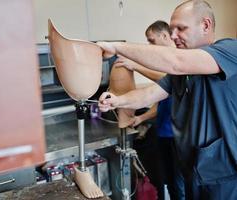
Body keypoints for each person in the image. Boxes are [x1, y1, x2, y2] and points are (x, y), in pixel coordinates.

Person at [97, 0, 237, 199]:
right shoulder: (182, 74)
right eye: (172, 29)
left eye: (180, 28)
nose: (173, 36)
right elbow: (149, 94)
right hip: (194, 168)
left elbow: (176, 62)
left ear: (205, 25)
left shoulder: (230, 50)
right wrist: (117, 101)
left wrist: (116, 46)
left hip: (225, 173)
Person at [118, 20, 185, 200]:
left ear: (164, 35)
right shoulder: (164, 62)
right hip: (163, 132)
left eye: (151, 41)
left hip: (176, 136)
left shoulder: (180, 59)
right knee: (169, 183)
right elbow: (159, 100)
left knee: (179, 186)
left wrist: (136, 66)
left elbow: (167, 79)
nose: (150, 45)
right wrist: (141, 118)